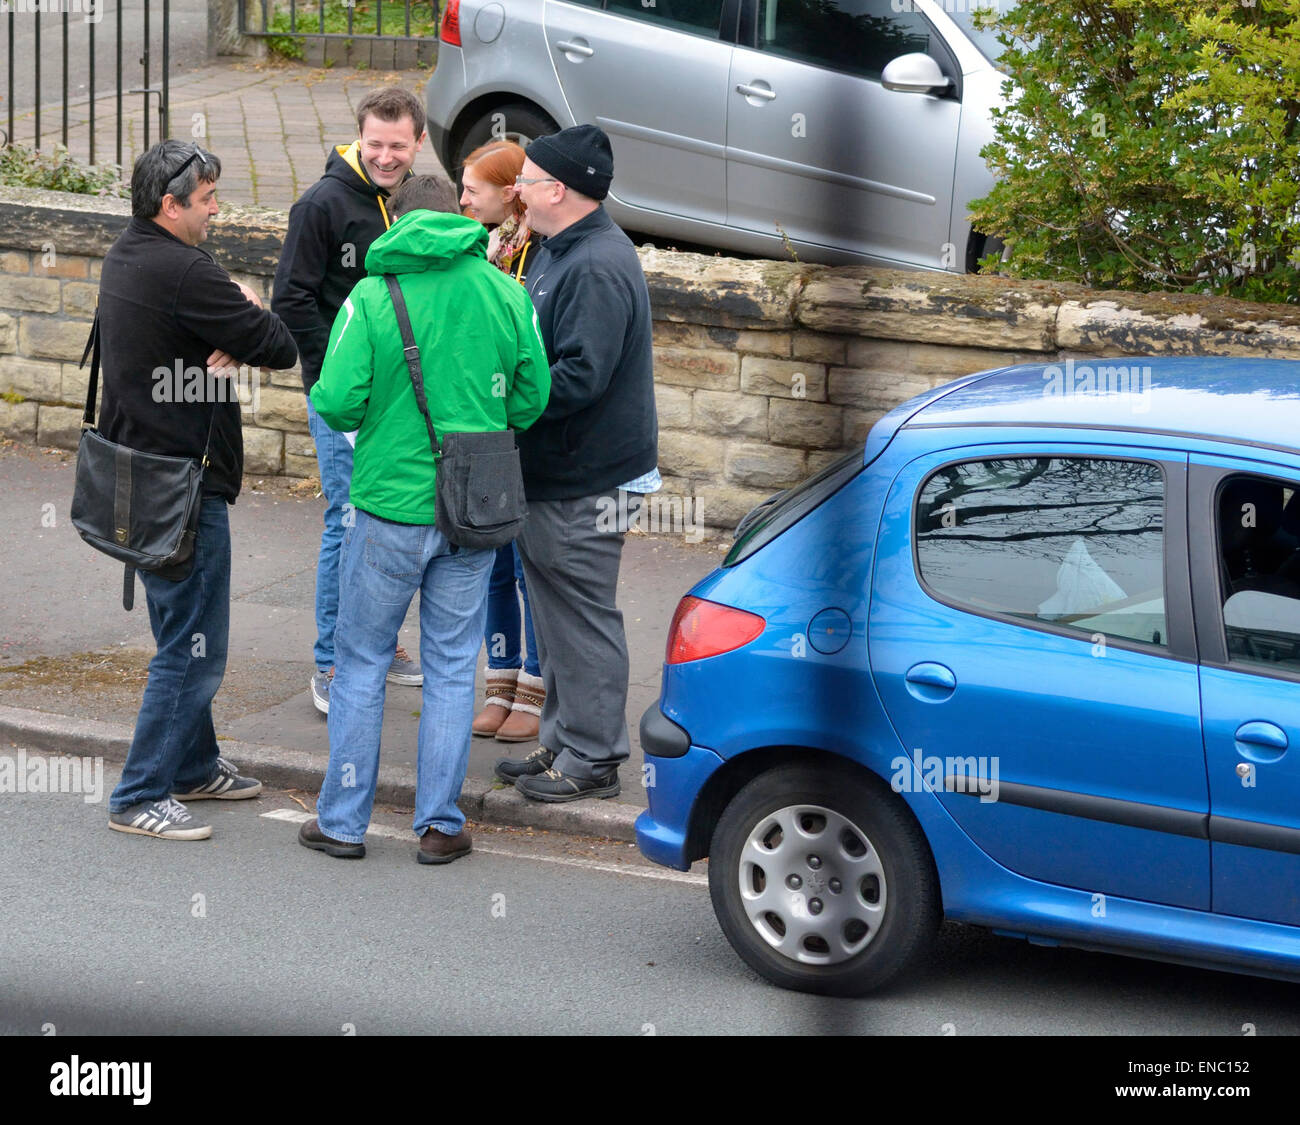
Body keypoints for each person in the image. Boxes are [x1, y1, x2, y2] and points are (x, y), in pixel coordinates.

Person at [297, 174, 551, 864]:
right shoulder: (507, 292)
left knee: (359, 663)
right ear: (463, 218)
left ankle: (344, 822)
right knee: (447, 666)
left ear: (396, 220)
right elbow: (532, 398)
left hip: (387, 508)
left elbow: (338, 401)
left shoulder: (372, 295)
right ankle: (439, 824)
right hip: (474, 508)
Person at [102, 140, 299, 840]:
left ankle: (193, 765)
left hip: (140, 478)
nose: (217, 210)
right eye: (207, 199)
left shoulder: (127, 253)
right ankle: (139, 793)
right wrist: (245, 306)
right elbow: (280, 343)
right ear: (171, 205)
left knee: (177, 632)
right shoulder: (187, 271)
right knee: (193, 645)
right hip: (184, 487)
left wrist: (229, 327)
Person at [493, 124, 660, 802]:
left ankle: (594, 755)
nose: (517, 191)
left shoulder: (595, 264)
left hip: (584, 479)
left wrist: (497, 399)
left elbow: (580, 377)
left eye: (526, 180)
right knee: (559, 612)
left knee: (583, 616)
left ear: (557, 189)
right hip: (561, 473)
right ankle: (564, 738)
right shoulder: (563, 248)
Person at [272, 86, 428, 715]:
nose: (386, 156)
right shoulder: (321, 204)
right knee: (347, 520)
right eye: (375, 144)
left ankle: (379, 646)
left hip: (401, 401)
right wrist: (333, 379)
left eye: (398, 145)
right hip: (344, 402)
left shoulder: (411, 199)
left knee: (388, 520)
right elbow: (291, 302)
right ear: (357, 137)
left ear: (418, 142)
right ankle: (331, 662)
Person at [458, 140, 545, 743]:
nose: (463, 198)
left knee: (526, 569)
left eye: (473, 188)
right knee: (493, 563)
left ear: (510, 191)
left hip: (524, 431)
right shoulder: (479, 246)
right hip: (486, 431)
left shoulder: (538, 251)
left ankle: (536, 689)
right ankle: (501, 679)